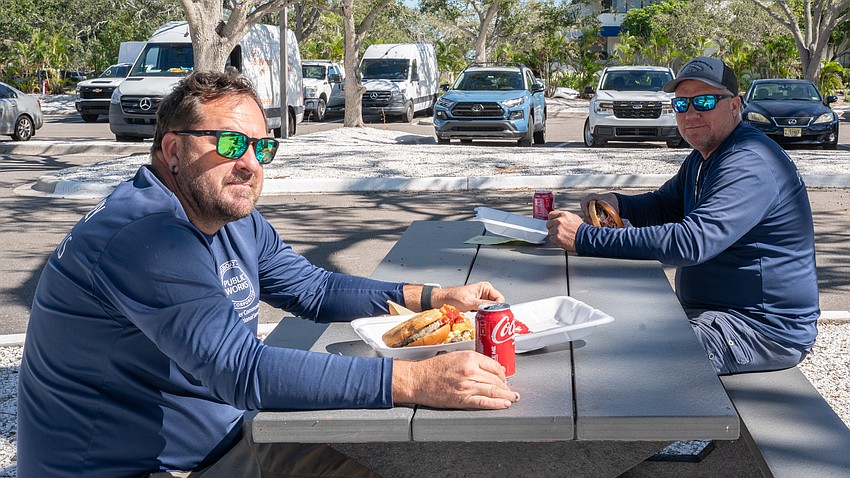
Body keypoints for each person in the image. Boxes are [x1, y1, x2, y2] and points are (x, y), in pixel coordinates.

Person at [17, 71, 519, 477]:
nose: (251, 163)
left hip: (228, 443)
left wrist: (434, 296)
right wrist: (413, 379)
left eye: (262, 148)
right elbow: (244, 371)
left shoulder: (230, 217)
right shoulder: (146, 237)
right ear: (172, 150)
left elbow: (313, 288)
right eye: (232, 144)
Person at [546, 56, 819, 376]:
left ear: (735, 106)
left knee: (618, 364)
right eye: (681, 103)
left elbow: (691, 242)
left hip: (757, 329)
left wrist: (586, 237)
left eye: (704, 101)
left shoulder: (750, 161)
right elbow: (665, 205)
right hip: (716, 315)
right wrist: (620, 203)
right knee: (599, 331)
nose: (691, 113)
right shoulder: (706, 156)